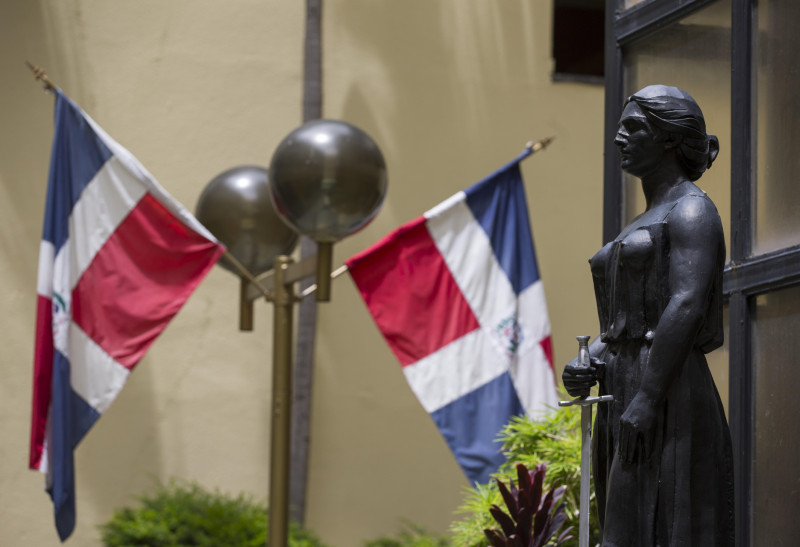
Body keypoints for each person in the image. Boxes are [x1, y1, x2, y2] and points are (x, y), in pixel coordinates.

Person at [562, 85, 734, 546]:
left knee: (659, 522)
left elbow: (687, 304)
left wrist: (648, 397)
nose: (619, 137)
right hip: (624, 386)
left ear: (669, 139)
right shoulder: (642, 220)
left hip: (666, 390)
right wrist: (589, 360)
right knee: (623, 526)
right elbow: (620, 326)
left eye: (633, 127)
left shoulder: (692, 210)